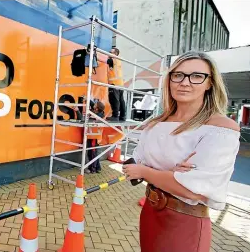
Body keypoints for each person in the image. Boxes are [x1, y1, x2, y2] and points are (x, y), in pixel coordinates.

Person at [122, 51, 241, 252]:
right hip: (150, 214)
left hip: (185, 219)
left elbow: (194, 190)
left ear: (209, 83)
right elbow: (133, 164)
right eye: (178, 75)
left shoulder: (221, 128)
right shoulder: (155, 123)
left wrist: (146, 172)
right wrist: (171, 175)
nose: (184, 82)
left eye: (196, 76)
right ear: (169, 79)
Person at [73, 99, 105, 173]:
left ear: (96, 108)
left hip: (94, 137)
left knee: (92, 153)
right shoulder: (99, 113)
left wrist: (77, 111)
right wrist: (87, 98)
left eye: (95, 104)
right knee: (94, 153)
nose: (94, 104)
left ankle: (92, 169)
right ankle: (98, 168)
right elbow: (93, 105)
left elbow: (82, 120)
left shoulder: (96, 116)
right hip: (93, 136)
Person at [107, 47, 126, 122]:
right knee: (121, 100)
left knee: (114, 100)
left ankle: (115, 116)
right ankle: (122, 116)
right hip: (120, 83)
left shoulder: (112, 60)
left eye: (110, 52)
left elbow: (105, 60)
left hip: (114, 83)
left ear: (115, 54)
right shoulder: (118, 61)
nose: (109, 53)